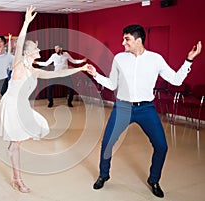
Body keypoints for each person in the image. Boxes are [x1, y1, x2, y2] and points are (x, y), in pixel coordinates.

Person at [86, 24, 202, 198]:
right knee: (107, 144)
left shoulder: (156, 59)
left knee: (161, 146)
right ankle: (104, 175)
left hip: (146, 109)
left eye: (127, 39)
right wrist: (95, 74)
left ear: (138, 40)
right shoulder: (119, 58)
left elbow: (176, 80)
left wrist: (189, 60)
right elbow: (112, 84)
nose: (123, 43)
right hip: (123, 107)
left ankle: (154, 180)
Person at [0, 6, 88, 193]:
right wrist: (26, 23)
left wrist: (80, 68)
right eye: (36, 48)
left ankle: (14, 155)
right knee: (17, 142)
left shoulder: (34, 71)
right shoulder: (19, 65)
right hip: (12, 106)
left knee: (24, 137)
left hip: (22, 106)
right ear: (29, 53)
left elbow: (59, 73)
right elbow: (20, 44)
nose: (39, 50)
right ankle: (18, 180)